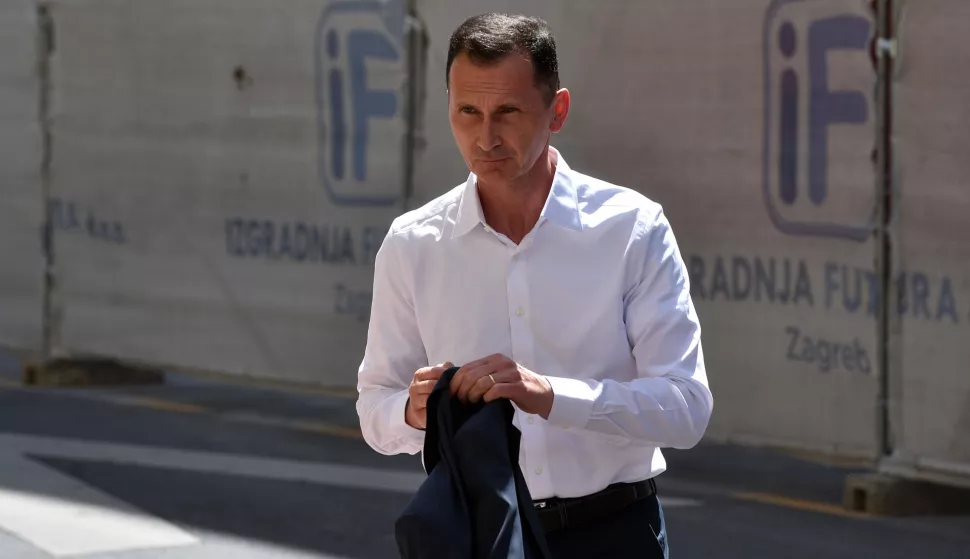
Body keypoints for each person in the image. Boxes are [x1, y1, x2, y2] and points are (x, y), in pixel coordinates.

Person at [356, 12, 713, 559]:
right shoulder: (412, 243)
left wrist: (550, 396)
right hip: (480, 536)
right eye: (467, 112)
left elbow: (686, 408)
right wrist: (416, 410)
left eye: (508, 112)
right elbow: (375, 409)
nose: (485, 137)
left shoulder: (632, 229)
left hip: (616, 533)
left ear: (557, 111)